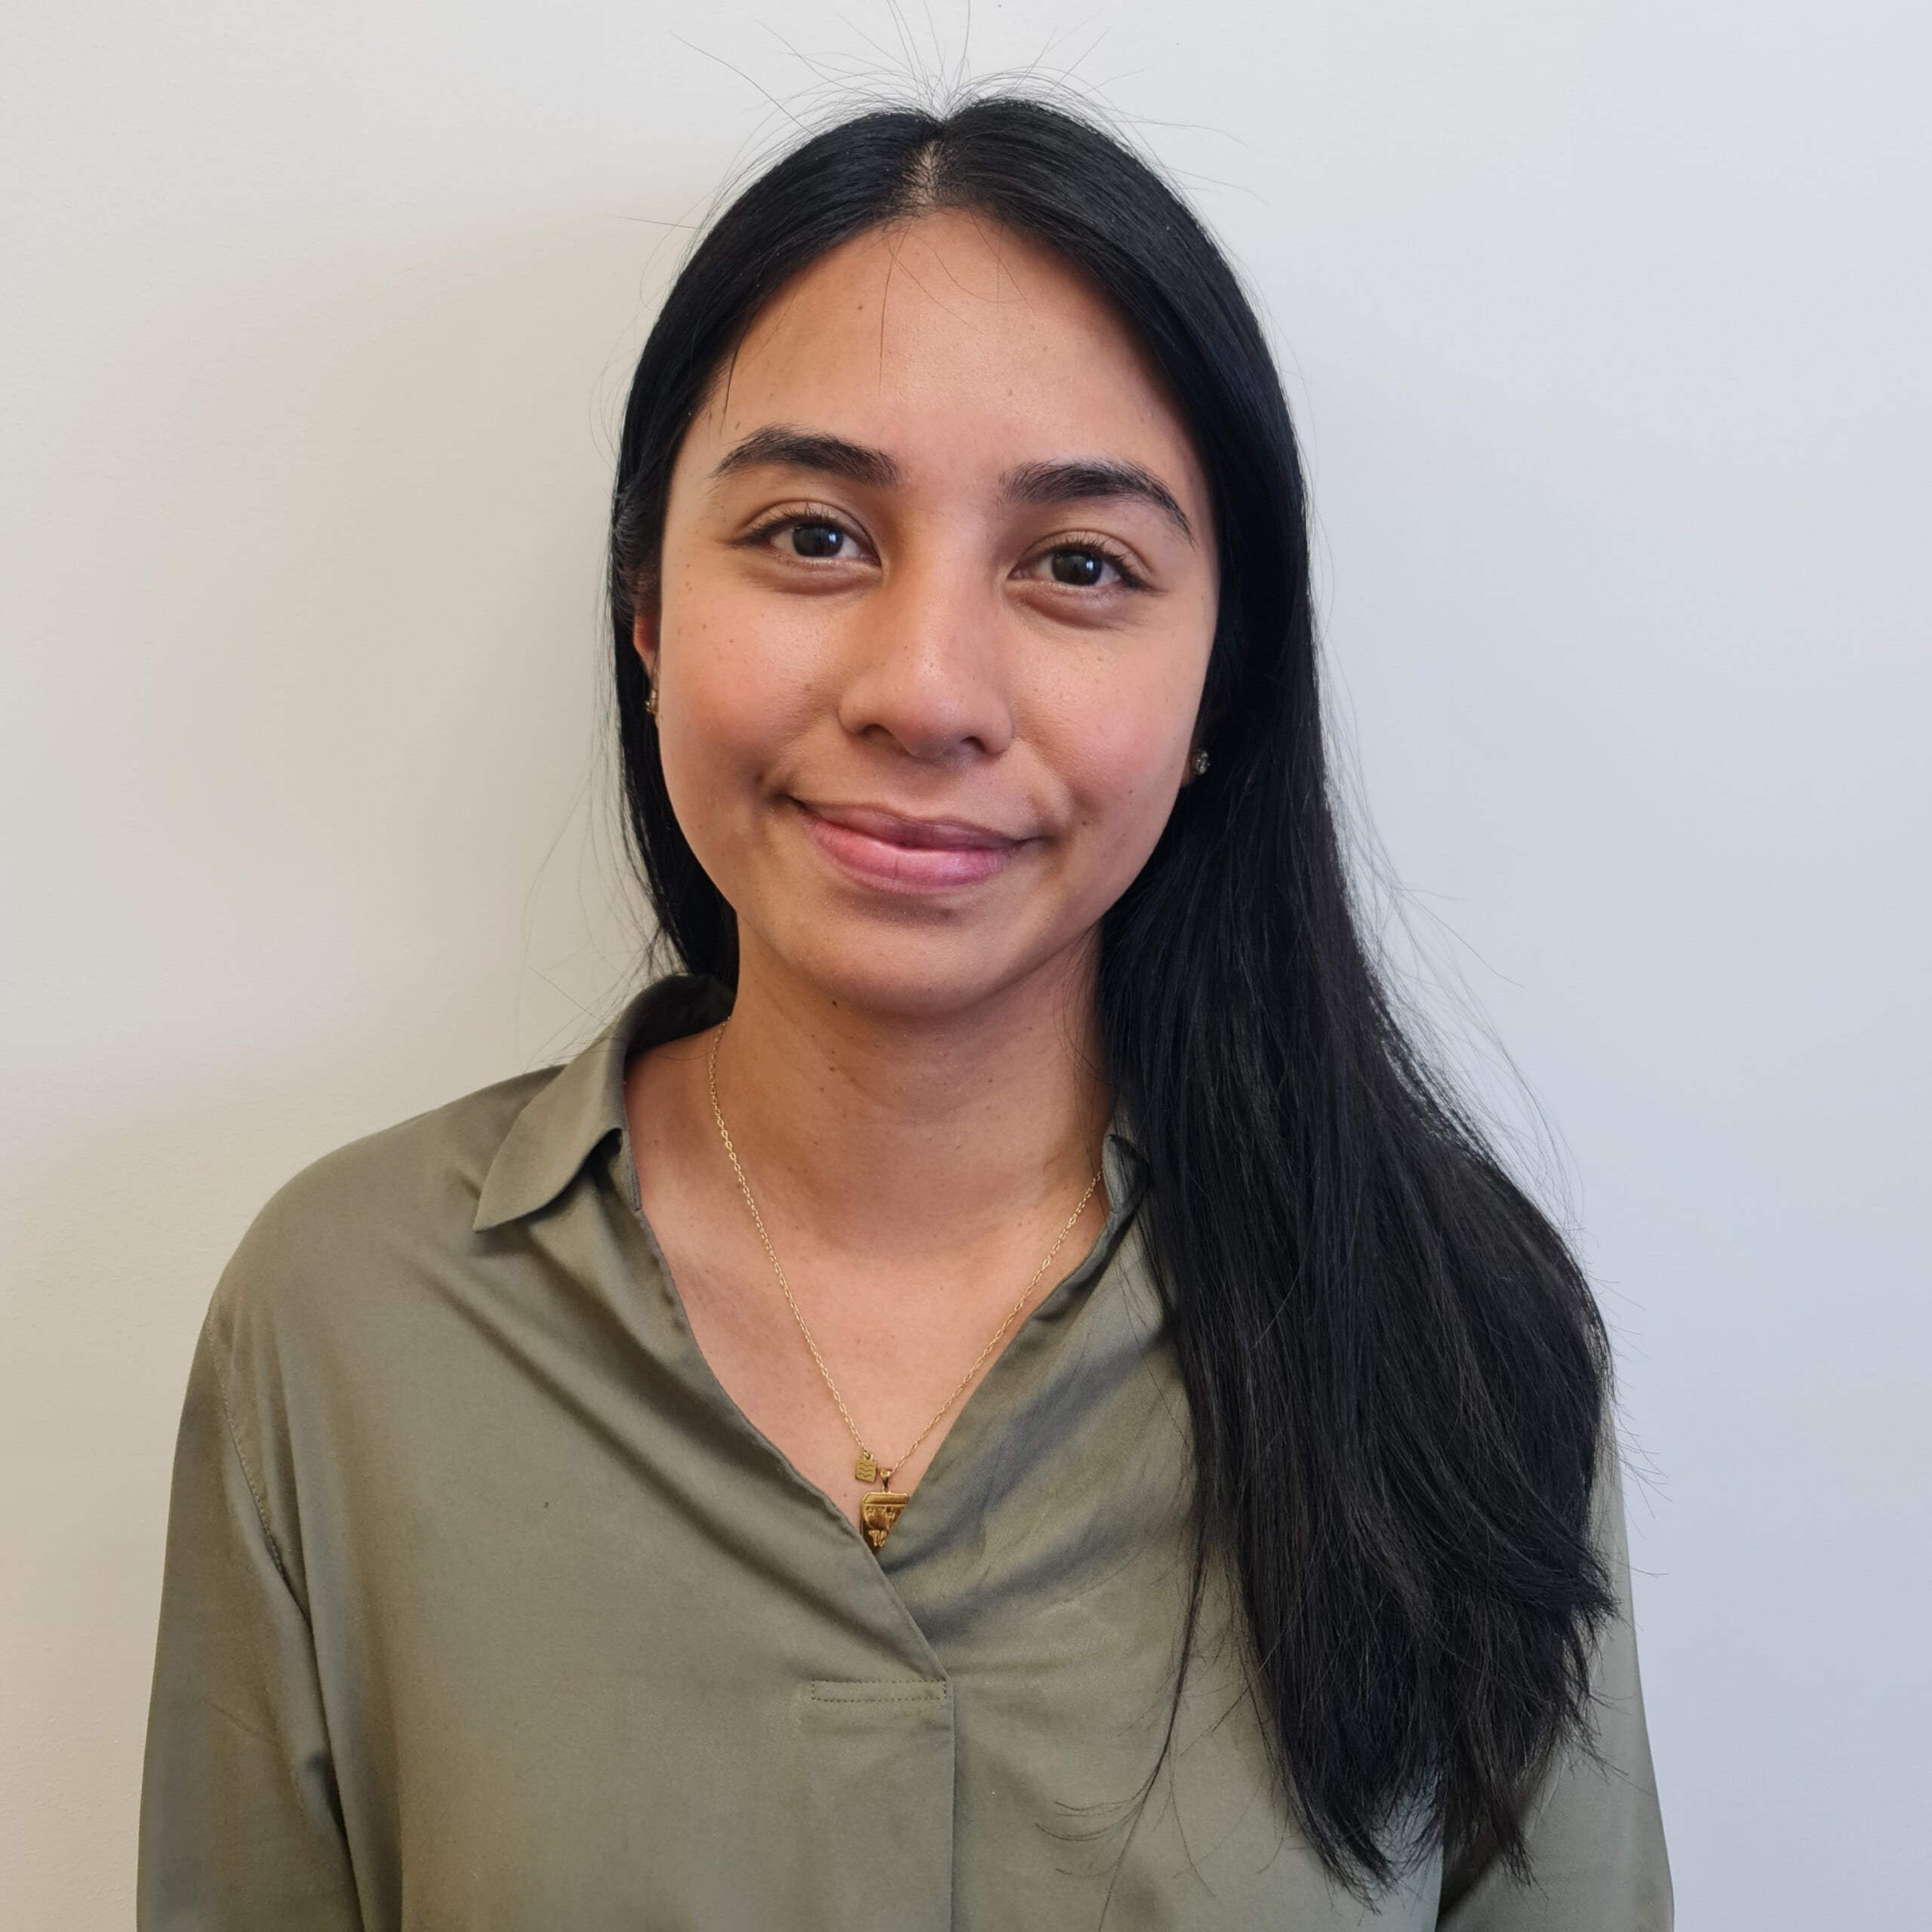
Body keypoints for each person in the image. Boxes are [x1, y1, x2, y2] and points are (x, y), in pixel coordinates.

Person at [137, 96, 1670, 1930]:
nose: (925, 689)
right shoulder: (343, 1326)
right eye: (809, 534)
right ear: (643, 601)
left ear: (1218, 683)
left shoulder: (1454, 1335)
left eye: (1078, 565)